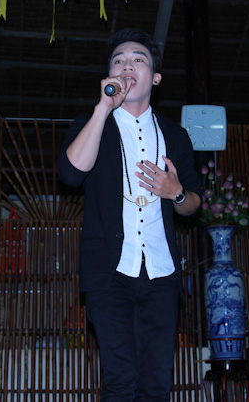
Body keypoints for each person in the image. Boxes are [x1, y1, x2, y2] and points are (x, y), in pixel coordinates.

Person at [57, 28, 203, 401]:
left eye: (138, 59)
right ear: (109, 75)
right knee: (120, 380)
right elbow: (71, 174)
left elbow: (194, 204)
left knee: (156, 385)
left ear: (154, 77)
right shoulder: (91, 123)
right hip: (109, 272)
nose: (127, 65)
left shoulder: (176, 135)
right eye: (119, 60)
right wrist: (103, 108)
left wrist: (175, 192)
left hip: (162, 274)